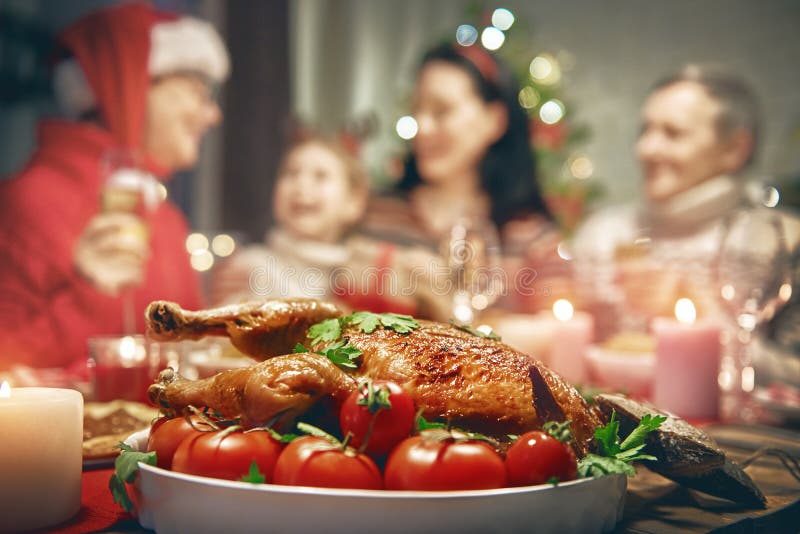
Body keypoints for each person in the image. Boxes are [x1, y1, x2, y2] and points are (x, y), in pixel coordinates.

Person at [0, 3, 229, 373]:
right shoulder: (29, 200)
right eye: (197, 91)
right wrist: (90, 295)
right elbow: (7, 363)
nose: (212, 114)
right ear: (134, 84)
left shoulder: (164, 216)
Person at [572, 64, 799, 339]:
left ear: (735, 149)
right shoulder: (601, 234)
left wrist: (700, 317)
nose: (646, 149)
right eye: (645, 130)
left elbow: (790, 371)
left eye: (673, 133)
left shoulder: (784, 243)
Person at [355, 42, 562, 319]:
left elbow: (560, 330)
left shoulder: (531, 237)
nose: (423, 128)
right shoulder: (379, 213)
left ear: (494, 120)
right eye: (417, 110)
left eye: (442, 111)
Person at [210, 132, 369, 305]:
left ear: (354, 202)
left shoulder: (366, 278)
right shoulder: (248, 269)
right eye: (291, 173)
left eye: (320, 176)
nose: (301, 185)